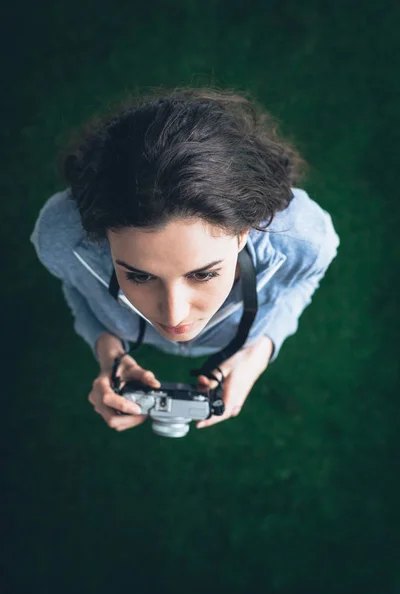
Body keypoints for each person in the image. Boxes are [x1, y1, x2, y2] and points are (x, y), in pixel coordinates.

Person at [30, 85, 340, 432]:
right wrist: (108, 353)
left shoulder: (305, 241)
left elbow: (303, 283)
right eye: (140, 276)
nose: (175, 317)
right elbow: (76, 286)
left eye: (203, 275)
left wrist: (259, 351)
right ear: (102, 239)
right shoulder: (60, 238)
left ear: (243, 234)